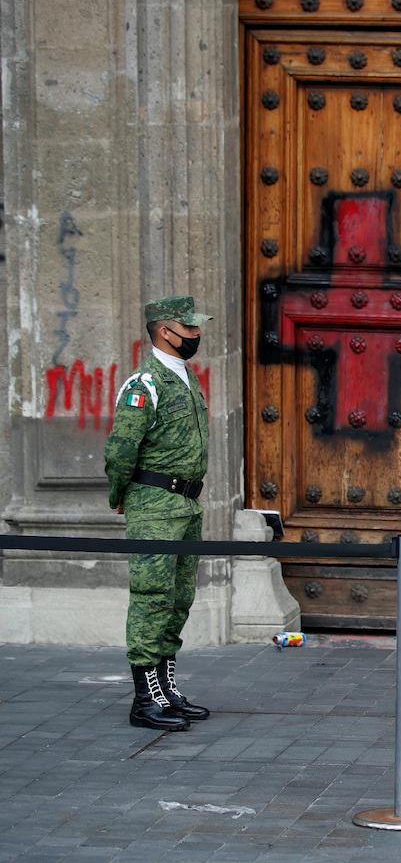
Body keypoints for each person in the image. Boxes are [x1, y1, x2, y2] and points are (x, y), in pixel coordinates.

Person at [104, 296, 213, 731]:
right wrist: (119, 493)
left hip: (187, 503)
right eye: (189, 330)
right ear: (165, 332)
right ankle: (144, 698)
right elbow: (120, 449)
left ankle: (166, 689)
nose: (197, 336)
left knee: (179, 598)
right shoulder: (143, 385)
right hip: (154, 505)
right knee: (151, 600)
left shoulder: (185, 379)